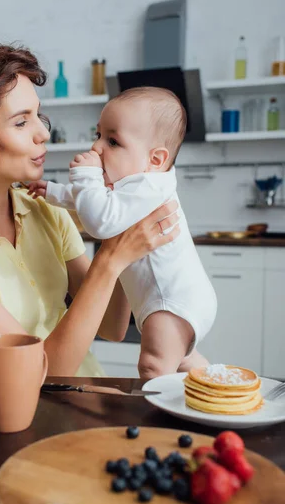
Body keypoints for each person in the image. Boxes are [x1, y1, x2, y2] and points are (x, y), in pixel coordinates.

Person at [0, 31, 180, 376]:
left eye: (38, 115)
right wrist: (111, 257)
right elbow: (39, 372)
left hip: (91, 401)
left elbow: (111, 327)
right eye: (21, 121)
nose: (42, 133)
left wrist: (119, 225)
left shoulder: (46, 210)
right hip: (18, 423)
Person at [28, 87, 217, 378]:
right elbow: (100, 202)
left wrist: (85, 175)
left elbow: (100, 221)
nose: (97, 148)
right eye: (98, 134)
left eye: (113, 141)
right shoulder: (138, 184)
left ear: (155, 159)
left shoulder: (148, 187)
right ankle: (219, 386)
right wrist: (54, 192)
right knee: (183, 360)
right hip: (183, 299)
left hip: (170, 303)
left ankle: (162, 417)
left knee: (153, 366)